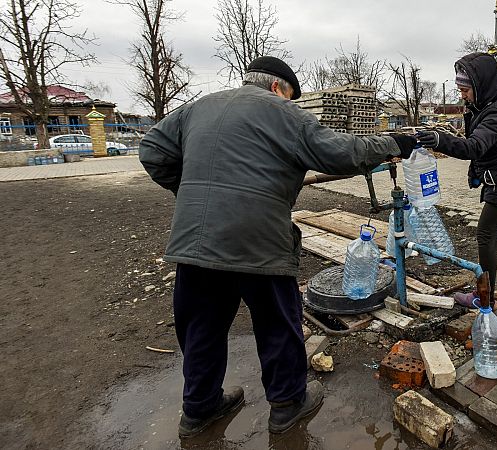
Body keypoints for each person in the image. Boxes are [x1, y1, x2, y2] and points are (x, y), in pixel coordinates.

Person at [138, 56, 417, 438]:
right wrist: (395, 142)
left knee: (201, 326)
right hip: (260, 241)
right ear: (277, 89)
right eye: (290, 97)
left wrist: (194, 192)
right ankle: (287, 405)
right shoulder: (283, 112)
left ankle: (199, 409)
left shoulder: (197, 107)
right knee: (276, 323)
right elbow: (338, 152)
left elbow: (152, 150)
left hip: (196, 240)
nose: (291, 103)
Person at [417, 52, 497, 307]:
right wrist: (476, 174)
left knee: (485, 236)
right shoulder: (482, 106)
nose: (462, 94)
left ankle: (484, 297)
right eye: (460, 88)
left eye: (465, 89)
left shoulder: (495, 112)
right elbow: (485, 150)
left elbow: (475, 147)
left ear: (480, 85)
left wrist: (441, 140)